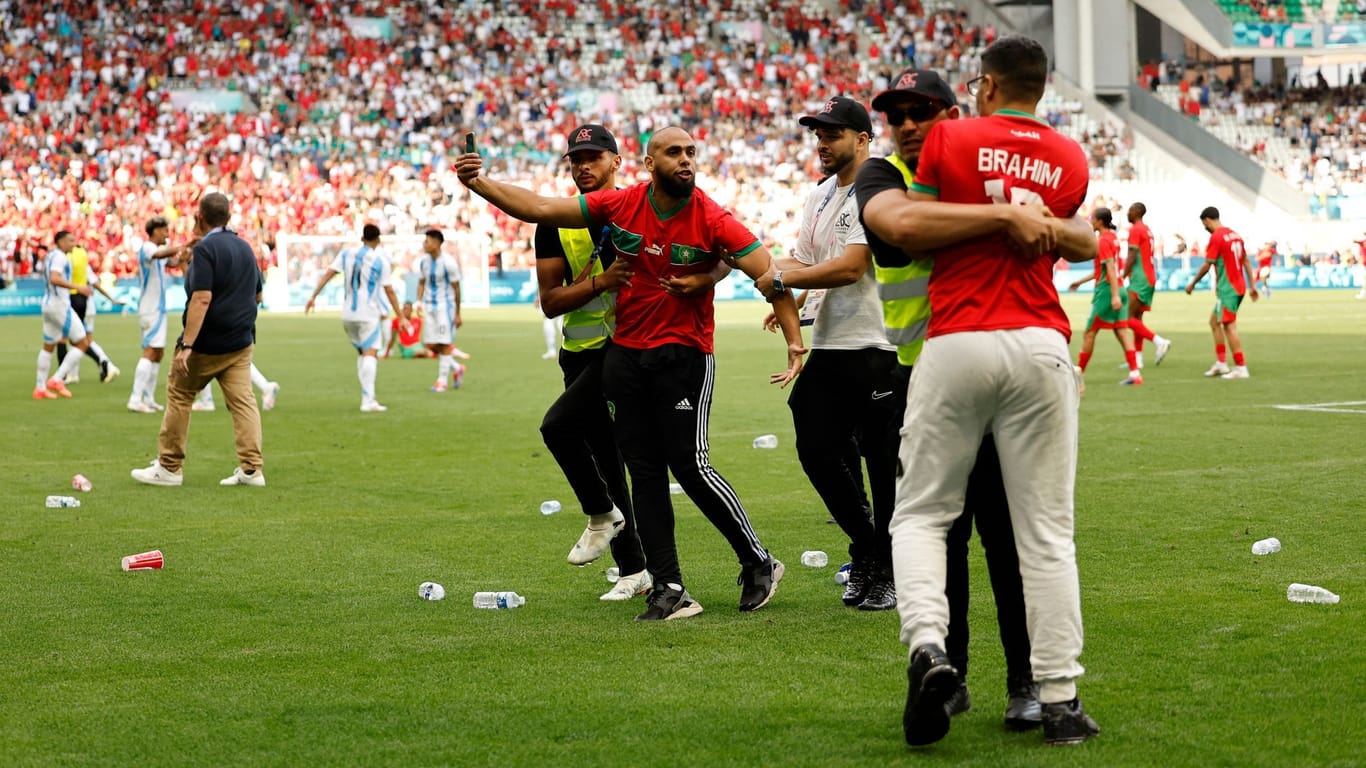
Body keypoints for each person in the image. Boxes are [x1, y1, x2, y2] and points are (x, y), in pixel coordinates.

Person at [457, 125, 805, 621]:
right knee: (643, 472)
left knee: (691, 465)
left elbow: (767, 274)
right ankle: (669, 587)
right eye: (673, 152)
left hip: (684, 356)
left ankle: (758, 562)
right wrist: (480, 183)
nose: (685, 159)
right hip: (625, 356)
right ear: (647, 163)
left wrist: (793, 340)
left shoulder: (712, 216)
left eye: (690, 152)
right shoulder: (620, 206)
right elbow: (538, 208)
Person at [875, 37, 1102, 746]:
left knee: (921, 516)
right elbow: (1081, 238)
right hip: (1041, 339)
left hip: (960, 336)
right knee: (1047, 534)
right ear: (1041, 86)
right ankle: (1059, 699)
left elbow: (912, 232)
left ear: (985, 83)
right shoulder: (1070, 157)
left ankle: (931, 649)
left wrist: (993, 214)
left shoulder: (951, 138)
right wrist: (1019, 219)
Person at [844, 67, 1043, 731]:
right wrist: (1001, 218)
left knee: (1004, 539)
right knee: (944, 536)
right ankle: (947, 673)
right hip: (918, 380)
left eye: (919, 111)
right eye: (894, 114)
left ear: (953, 115)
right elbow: (903, 232)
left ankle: (1025, 680)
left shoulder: (980, 175)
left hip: (993, 375)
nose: (904, 125)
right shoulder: (880, 178)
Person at [753, 97, 901, 611]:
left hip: (878, 344)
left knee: (882, 463)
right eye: (818, 132)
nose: (822, 141)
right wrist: (787, 289)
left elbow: (850, 267)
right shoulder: (819, 195)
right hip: (833, 342)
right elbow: (807, 258)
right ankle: (869, 546)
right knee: (816, 444)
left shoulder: (875, 189)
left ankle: (887, 568)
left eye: (833, 133)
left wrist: (783, 278)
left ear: (862, 139)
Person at [534, 123, 651, 601]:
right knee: (608, 459)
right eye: (576, 159)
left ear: (616, 161)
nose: (584, 166)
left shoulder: (639, 210)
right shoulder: (554, 222)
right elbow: (550, 302)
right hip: (578, 355)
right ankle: (635, 569)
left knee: (561, 429)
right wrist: (602, 284)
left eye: (594, 157)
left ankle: (610, 526)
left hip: (626, 352)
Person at [130, 192, 266, 488]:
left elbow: (201, 297)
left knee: (179, 395)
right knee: (243, 403)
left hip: (207, 342)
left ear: (200, 217)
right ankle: (252, 469)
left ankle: (169, 467)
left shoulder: (206, 249)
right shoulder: (245, 247)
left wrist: (188, 344)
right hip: (241, 341)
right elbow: (257, 294)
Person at [303, 223, 409, 411]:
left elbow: (329, 273)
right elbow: (389, 290)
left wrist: (313, 297)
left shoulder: (346, 254)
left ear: (362, 238)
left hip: (348, 314)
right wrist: (400, 316)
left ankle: (367, 396)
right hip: (368, 313)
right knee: (371, 353)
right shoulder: (380, 261)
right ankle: (368, 401)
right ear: (378, 240)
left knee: (362, 352)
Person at [1068, 207, 1142, 385]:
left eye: (1092, 219)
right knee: (1122, 331)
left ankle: (1078, 375)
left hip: (1107, 291)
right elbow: (1104, 269)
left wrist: (1114, 296)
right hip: (1119, 287)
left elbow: (1109, 268)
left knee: (1090, 332)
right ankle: (1135, 374)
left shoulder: (1102, 241)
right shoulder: (1113, 239)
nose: (1090, 222)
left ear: (1100, 221)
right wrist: (1080, 282)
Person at [1186, 207, 1258, 379]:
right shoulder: (1235, 235)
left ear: (1208, 220)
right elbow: (1246, 261)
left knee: (1229, 326)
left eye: (1204, 224)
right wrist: (1252, 285)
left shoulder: (1216, 237)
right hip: (1237, 286)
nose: (1205, 227)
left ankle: (1241, 368)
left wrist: (1192, 284)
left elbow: (1207, 264)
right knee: (1214, 322)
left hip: (1229, 289)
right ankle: (1221, 363)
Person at [127, 217, 188, 413]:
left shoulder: (158, 254)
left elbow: (173, 261)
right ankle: (135, 399)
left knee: (158, 353)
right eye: (164, 230)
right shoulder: (147, 248)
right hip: (150, 308)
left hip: (158, 309)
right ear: (154, 231)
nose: (166, 234)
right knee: (151, 351)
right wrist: (185, 245)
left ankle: (148, 397)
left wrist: (187, 253)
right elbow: (162, 254)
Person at [34, 231, 102, 399]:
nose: (74, 243)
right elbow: (54, 278)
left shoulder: (50, 256)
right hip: (60, 305)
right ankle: (57, 379)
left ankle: (40, 387)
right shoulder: (60, 257)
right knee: (82, 343)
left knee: (48, 345)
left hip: (48, 303)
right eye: (70, 240)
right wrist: (78, 287)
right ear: (61, 241)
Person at [58, 237, 122, 385]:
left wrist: (111, 298)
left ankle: (106, 363)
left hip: (83, 304)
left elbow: (94, 284)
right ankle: (73, 375)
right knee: (77, 340)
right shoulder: (81, 263)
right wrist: (111, 299)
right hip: (86, 305)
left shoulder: (73, 263)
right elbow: (95, 284)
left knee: (82, 340)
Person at [1121, 202, 1172, 368]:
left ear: (1136, 212)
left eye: (1129, 210)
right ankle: (1138, 359)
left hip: (1140, 279)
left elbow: (1132, 255)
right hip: (1149, 276)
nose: (1128, 213)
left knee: (1126, 317)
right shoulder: (1147, 230)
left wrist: (1123, 274)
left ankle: (1159, 341)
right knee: (1137, 319)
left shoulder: (1136, 229)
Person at [415, 229, 467, 392]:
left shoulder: (448, 263)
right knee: (430, 344)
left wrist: (457, 313)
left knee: (444, 343)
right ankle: (457, 367)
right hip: (429, 306)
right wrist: (418, 301)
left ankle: (442, 381)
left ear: (437, 244)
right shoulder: (424, 261)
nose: (425, 244)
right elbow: (422, 282)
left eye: (427, 241)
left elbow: (456, 288)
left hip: (446, 307)